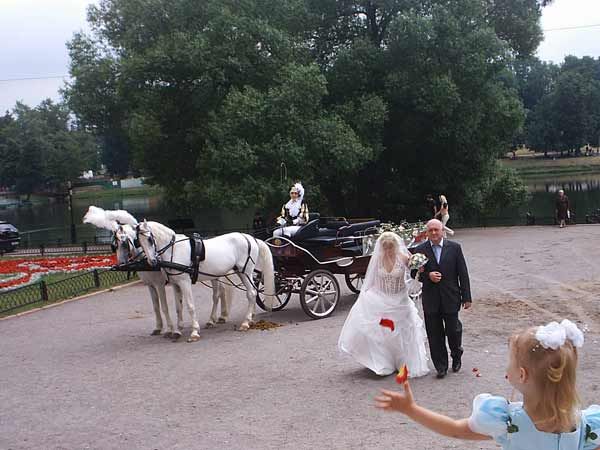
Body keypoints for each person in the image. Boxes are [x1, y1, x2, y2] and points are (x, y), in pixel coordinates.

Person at [375, 319, 600, 450]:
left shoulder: (507, 421)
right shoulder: (585, 425)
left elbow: (455, 430)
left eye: (510, 362)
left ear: (522, 375)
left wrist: (411, 409)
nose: (507, 367)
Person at [338, 232, 430, 377]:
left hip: (400, 299)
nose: (388, 251)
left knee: (402, 332)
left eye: (390, 248)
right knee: (382, 332)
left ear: (395, 247)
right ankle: (383, 362)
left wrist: (419, 268)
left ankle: (403, 361)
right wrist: (367, 295)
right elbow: (371, 279)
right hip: (381, 298)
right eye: (385, 248)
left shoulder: (403, 258)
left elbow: (414, 272)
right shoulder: (378, 260)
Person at [411, 219, 471, 379]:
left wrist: (467, 297)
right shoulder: (420, 250)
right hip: (431, 298)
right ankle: (441, 366)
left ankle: (456, 354)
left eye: (436, 230)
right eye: (430, 230)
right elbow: (413, 272)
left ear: (442, 231)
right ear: (426, 232)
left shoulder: (454, 248)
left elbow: (462, 273)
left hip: (451, 296)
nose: (433, 233)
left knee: (453, 330)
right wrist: (427, 275)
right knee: (434, 334)